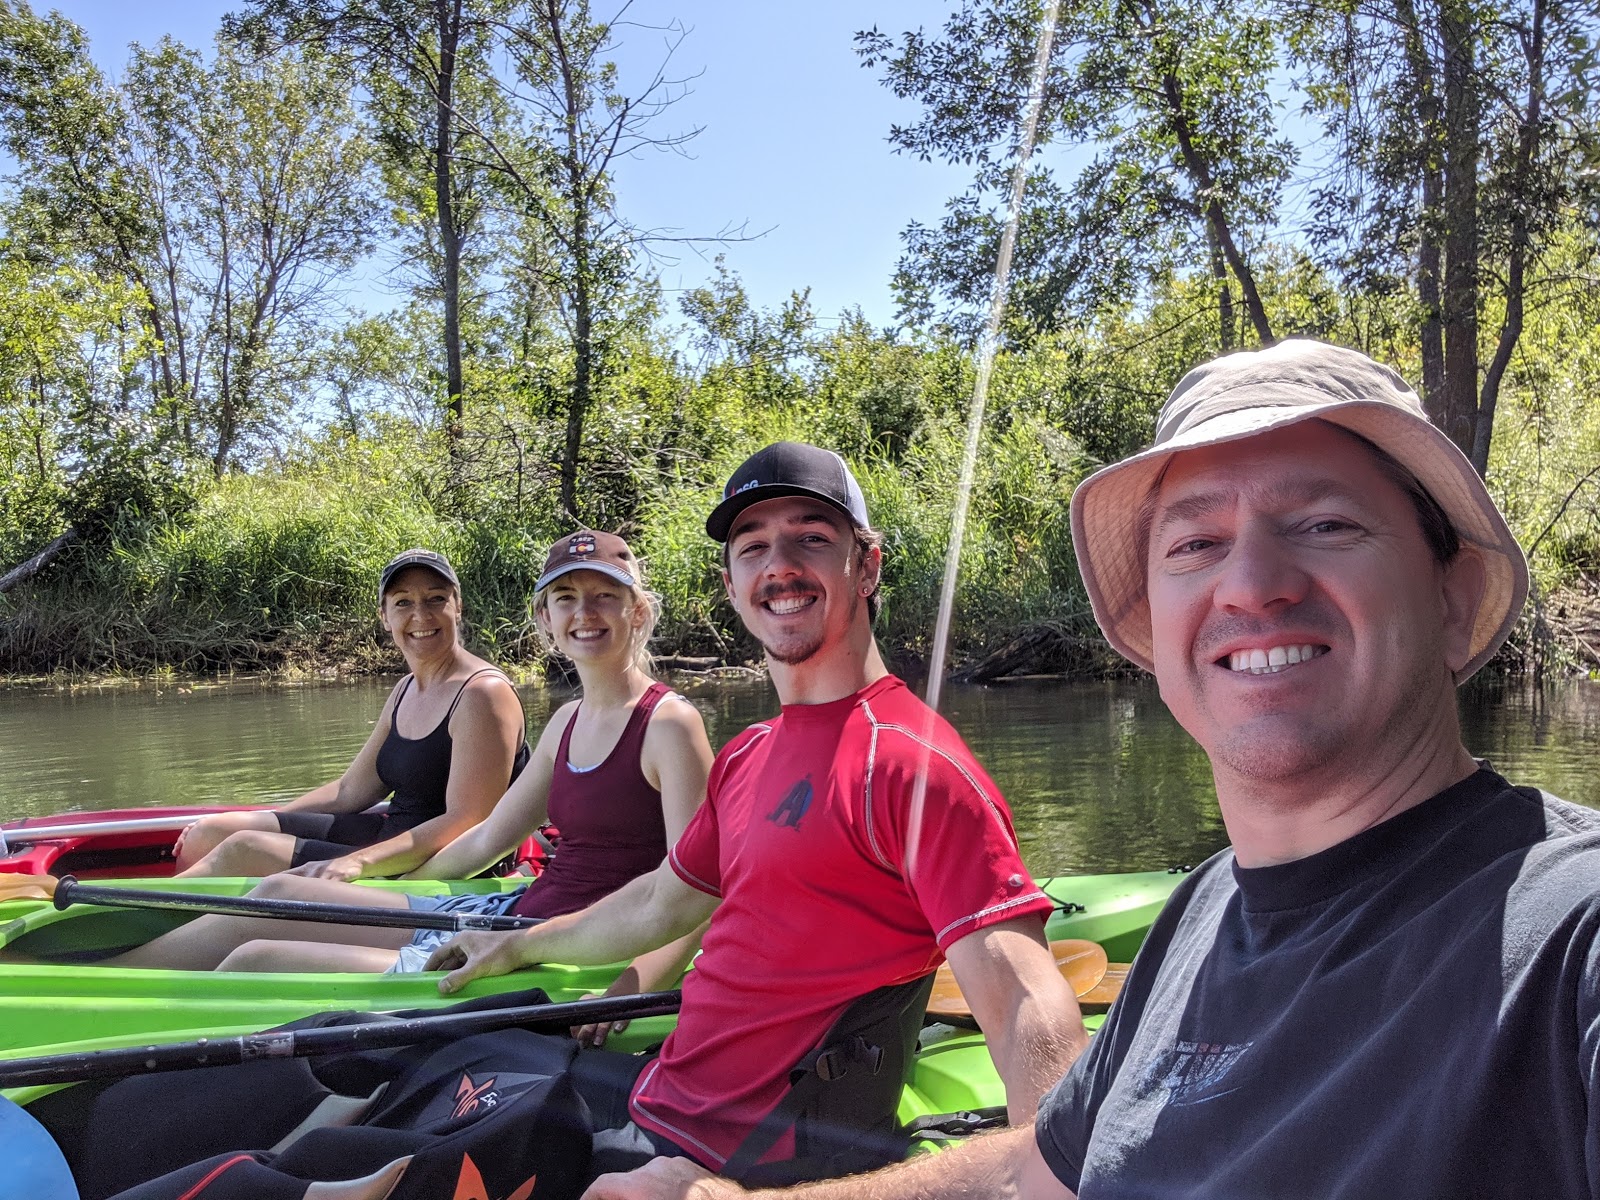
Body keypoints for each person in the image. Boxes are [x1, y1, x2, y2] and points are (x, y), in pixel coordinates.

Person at [587, 339, 1600, 1200]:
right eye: (1197, 542)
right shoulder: (1202, 914)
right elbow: (1047, 1162)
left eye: (1325, 524)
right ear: (1154, 629)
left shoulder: (1569, 932)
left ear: (1457, 595)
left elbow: (1024, 993)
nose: (1249, 585)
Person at [425, 441, 1088, 1189]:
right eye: (753, 547)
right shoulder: (749, 755)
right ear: (732, 583)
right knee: (426, 1073)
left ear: (865, 566)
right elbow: (658, 902)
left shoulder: (908, 765)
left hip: (738, 1159)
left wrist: (1046, 1168)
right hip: (654, 1097)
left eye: (811, 537)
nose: (779, 565)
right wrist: (519, 947)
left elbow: (1026, 998)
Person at [109, 532, 714, 1023]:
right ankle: (110, 973)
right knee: (280, 892)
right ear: (545, 619)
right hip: (511, 915)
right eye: (566, 598)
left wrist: (633, 992)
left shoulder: (669, 725)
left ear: (637, 610)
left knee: (253, 959)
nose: (585, 613)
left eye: (605, 595)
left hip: (557, 949)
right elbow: (484, 841)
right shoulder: (566, 720)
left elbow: (700, 892)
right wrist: (382, 889)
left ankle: (110, 1008)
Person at [172, 548, 530, 879]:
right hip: (391, 835)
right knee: (212, 832)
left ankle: (155, 922)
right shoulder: (406, 688)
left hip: (438, 866)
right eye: (403, 602)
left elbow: (468, 821)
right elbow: (349, 792)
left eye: (436, 599)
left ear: (458, 607)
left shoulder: (483, 694)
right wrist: (264, 818)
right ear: (385, 617)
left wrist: (357, 861)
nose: (421, 615)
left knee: (243, 849)